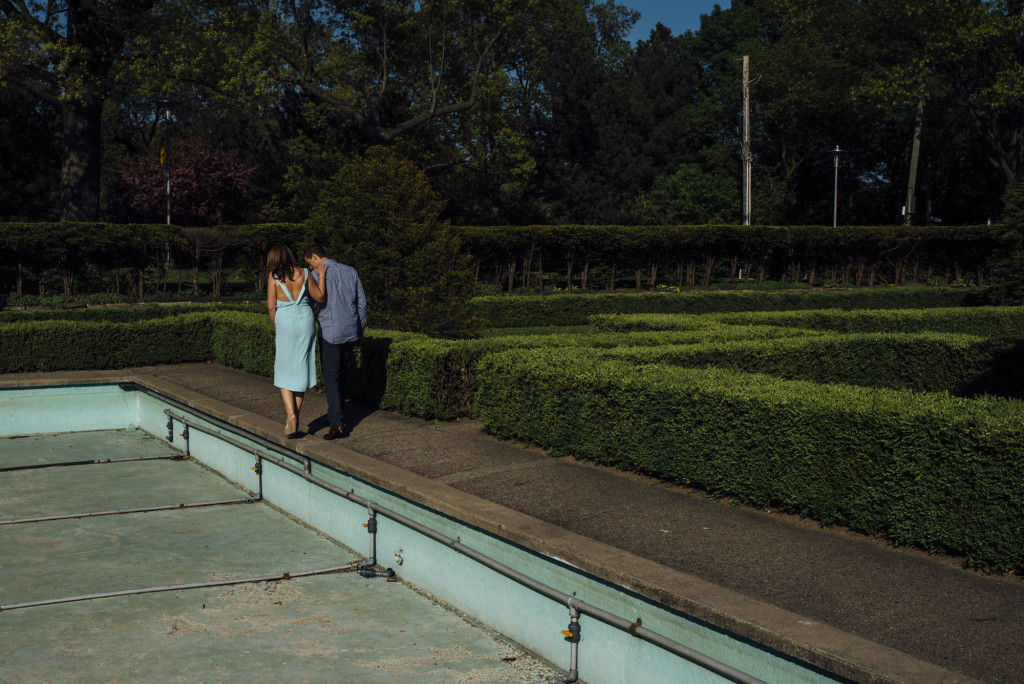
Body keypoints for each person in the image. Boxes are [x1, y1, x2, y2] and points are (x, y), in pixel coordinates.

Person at [304, 244, 366, 440]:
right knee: (343, 374)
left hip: (330, 331)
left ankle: (337, 423)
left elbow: (312, 302)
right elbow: (361, 302)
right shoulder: (351, 271)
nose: (311, 267)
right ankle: (335, 415)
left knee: (331, 377)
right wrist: (360, 329)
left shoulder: (315, 275)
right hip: (350, 330)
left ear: (315, 257)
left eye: (310, 263)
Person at [266, 244, 325, 437]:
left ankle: (291, 414)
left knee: (283, 368)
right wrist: (322, 276)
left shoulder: (274, 276)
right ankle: (295, 416)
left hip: (285, 323)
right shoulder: (305, 273)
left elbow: (271, 306)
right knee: (302, 367)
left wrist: (276, 326)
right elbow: (319, 297)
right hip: (305, 321)